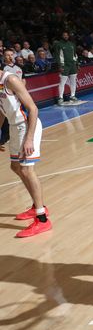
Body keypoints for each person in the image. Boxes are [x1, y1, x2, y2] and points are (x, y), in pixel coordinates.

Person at [0, 70, 52, 237]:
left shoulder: (11, 80)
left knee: (26, 170)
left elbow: (33, 109)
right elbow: (2, 111)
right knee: (15, 166)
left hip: (28, 126)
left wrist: (29, 139)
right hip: (15, 127)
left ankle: (42, 219)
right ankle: (37, 206)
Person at [52, 31, 79, 105]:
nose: (66, 36)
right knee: (62, 82)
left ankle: (72, 96)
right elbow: (57, 56)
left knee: (73, 81)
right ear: (62, 36)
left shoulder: (72, 44)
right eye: (64, 35)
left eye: (67, 35)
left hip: (72, 65)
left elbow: (74, 55)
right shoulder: (58, 44)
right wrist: (60, 66)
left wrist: (77, 64)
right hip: (64, 65)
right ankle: (60, 98)